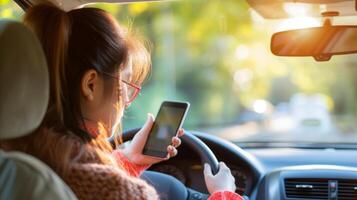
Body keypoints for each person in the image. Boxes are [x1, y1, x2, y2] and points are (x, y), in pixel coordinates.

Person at [1, 3, 242, 200]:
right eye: (126, 85)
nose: (126, 102)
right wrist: (224, 194)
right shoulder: (118, 192)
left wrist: (128, 160)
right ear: (90, 85)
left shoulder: (13, 162)